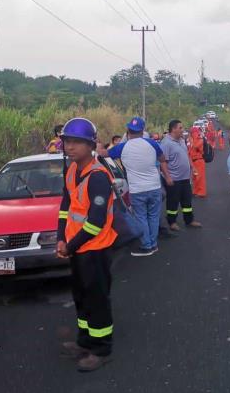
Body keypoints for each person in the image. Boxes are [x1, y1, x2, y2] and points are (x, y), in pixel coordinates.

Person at [56, 118, 118, 372]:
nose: (70, 147)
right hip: (76, 248)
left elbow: (95, 221)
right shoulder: (71, 171)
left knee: (96, 298)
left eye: (76, 142)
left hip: (94, 249)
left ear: (90, 145)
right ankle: (85, 341)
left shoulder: (98, 177)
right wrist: (61, 236)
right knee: (80, 296)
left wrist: (70, 246)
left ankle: (101, 348)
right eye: (67, 142)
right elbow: (65, 207)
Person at [101, 117, 173, 257]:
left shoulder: (123, 147)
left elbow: (104, 154)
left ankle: (146, 246)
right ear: (142, 130)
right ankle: (153, 244)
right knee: (153, 216)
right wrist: (168, 177)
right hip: (154, 187)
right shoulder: (152, 143)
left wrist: (97, 145)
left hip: (137, 190)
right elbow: (163, 159)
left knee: (141, 217)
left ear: (128, 131)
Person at [160, 120, 203, 231]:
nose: (182, 129)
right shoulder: (166, 143)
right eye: (180, 128)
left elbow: (186, 154)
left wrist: (192, 167)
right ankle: (172, 222)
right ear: (173, 129)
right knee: (173, 202)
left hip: (185, 178)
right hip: (174, 178)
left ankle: (189, 220)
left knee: (187, 200)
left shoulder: (181, 140)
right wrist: (168, 177)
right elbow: (163, 162)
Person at [189, 126, 207, 197]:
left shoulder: (200, 139)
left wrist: (192, 141)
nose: (192, 134)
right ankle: (195, 191)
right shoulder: (192, 140)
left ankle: (201, 192)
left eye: (192, 133)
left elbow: (196, 146)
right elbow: (190, 150)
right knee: (195, 177)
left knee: (200, 177)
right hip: (193, 161)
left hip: (199, 160)